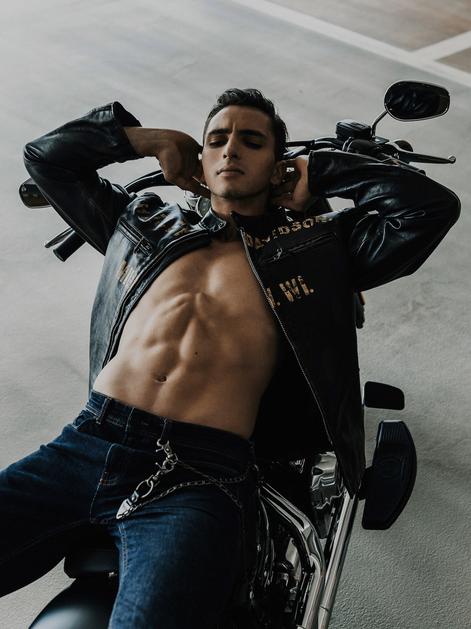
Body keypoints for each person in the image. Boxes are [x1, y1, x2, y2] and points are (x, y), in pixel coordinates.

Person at [1, 88, 460, 628]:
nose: (230, 149)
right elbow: (47, 159)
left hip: (199, 471)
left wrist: (325, 169)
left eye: (252, 141)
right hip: (90, 441)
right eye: (216, 139)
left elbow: (430, 209)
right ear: (200, 157)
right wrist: (144, 139)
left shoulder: (320, 246)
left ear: (279, 165)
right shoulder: (142, 224)